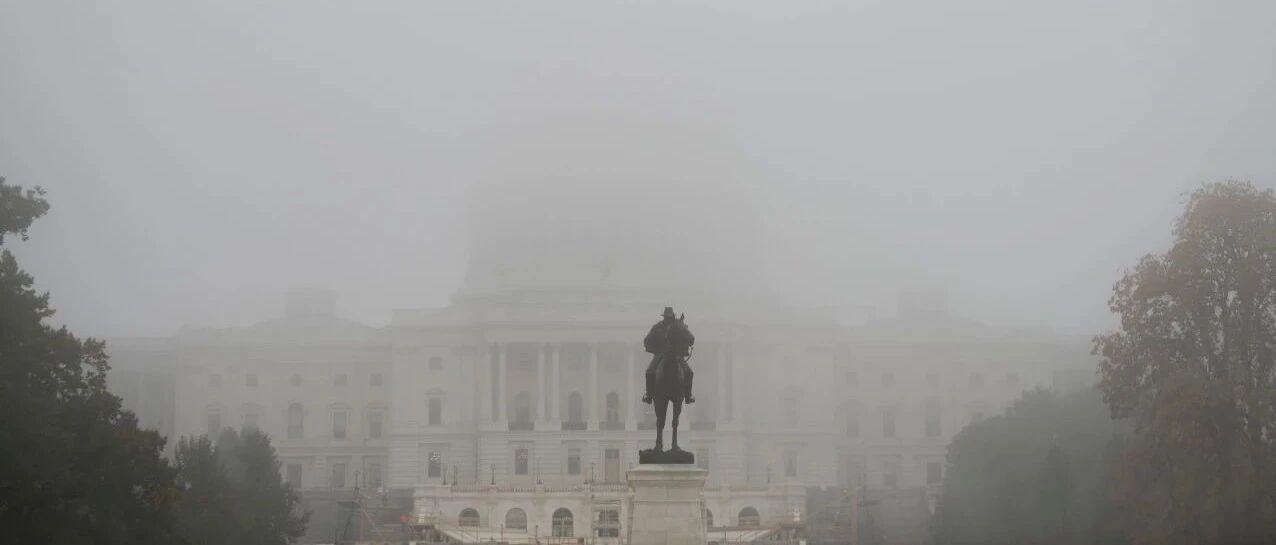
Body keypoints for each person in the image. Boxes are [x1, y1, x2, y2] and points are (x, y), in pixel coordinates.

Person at [642, 306, 695, 404]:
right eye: (666, 317)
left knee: (689, 372)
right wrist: (655, 349)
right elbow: (647, 341)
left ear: (673, 317)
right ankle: (649, 395)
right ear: (664, 317)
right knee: (649, 372)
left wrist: (683, 331)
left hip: (677, 356)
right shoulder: (657, 327)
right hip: (660, 355)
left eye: (670, 317)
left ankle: (688, 395)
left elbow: (691, 339)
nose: (668, 319)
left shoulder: (679, 326)